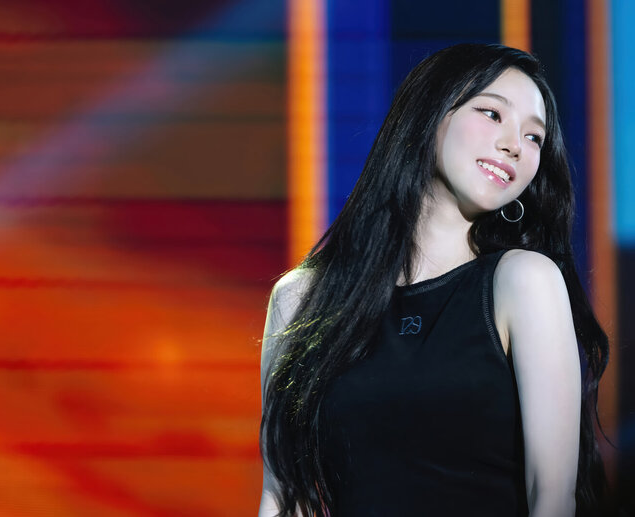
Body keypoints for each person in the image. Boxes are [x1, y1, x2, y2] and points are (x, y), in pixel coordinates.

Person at [258, 43, 610, 517]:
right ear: (429, 114)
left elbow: (551, 496)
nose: (515, 145)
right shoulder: (300, 299)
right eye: (492, 114)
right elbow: (284, 496)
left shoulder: (524, 282)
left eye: (534, 138)